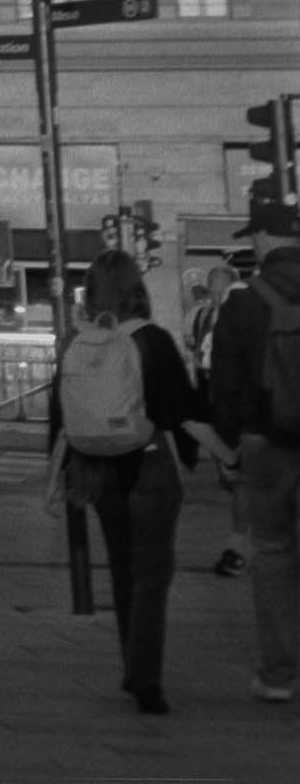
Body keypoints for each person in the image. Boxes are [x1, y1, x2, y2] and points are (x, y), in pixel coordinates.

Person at [50, 247, 203, 715]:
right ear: (137, 288)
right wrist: (210, 456)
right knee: (152, 576)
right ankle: (146, 681)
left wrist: (60, 473)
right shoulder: (151, 339)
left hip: (97, 468)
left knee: (122, 570)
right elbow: (180, 409)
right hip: (149, 465)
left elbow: (60, 414)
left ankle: (131, 667)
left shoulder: (76, 343)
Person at [206, 200, 300, 704]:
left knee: (274, 552)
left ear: (264, 239)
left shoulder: (242, 303)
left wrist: (235, 444)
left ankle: (279, 675)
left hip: (266, 441)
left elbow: (222, 389)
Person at [193, 261, 254, 580]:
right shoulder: (203, 317)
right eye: (212, 292)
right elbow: (200, 363)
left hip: (243, 412)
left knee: (242, 481)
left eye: (222, 292)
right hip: (219, 410)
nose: (217, 298)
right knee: (235, 483)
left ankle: (239, 548)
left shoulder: (245, 318)